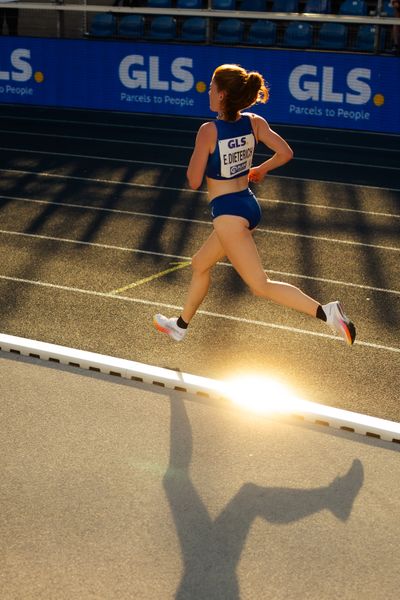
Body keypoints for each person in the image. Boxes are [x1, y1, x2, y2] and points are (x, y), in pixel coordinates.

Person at [153, 64, 356, 346]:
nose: (208, 91)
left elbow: (194, 180)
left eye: (211, 86)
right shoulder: (254, 122)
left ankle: (327, 312)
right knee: (200, 263)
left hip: (228, 214)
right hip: (247, 205)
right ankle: (180, 325)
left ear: (222, 95)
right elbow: (285, 152)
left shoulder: (208, 131)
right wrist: (262, 168)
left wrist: (200, 151)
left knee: (260, 285)